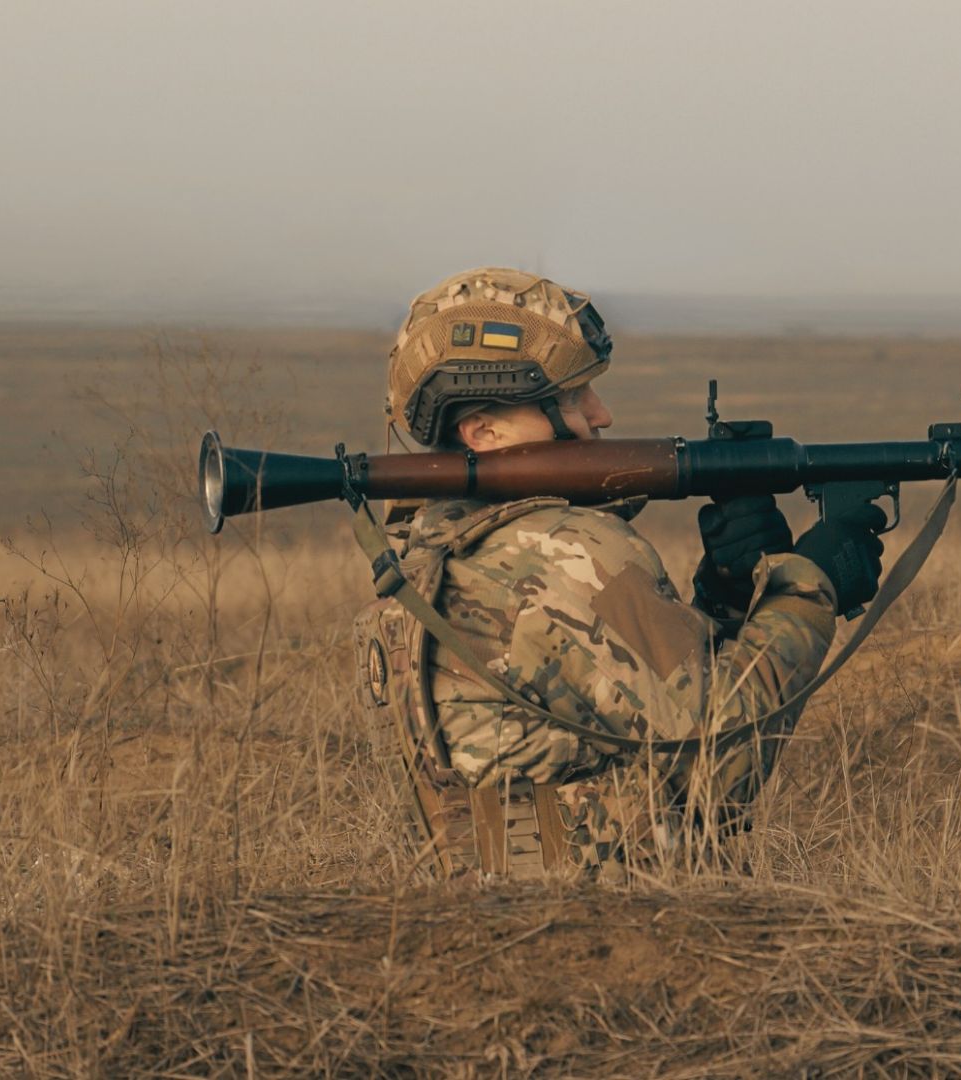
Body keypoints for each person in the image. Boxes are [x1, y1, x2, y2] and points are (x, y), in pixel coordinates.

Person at [353, 267, 887, 882]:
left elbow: (614, 723)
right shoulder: (563, 550)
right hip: (619, 930)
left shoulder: (430, 555)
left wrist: (729, 595)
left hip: (489, 928)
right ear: (485, 432)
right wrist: (809, 583)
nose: (601, 415)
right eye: (572, 399)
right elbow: (718, 761)